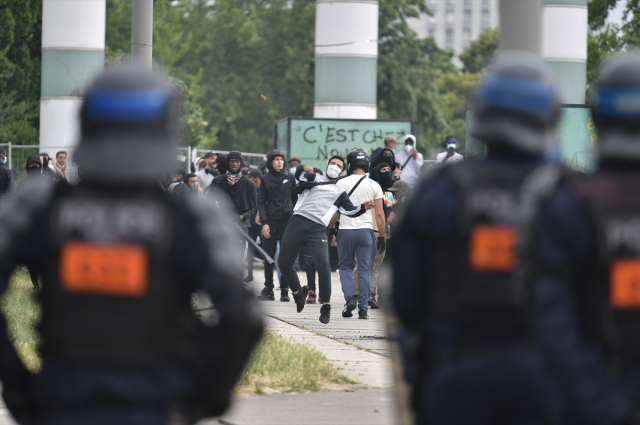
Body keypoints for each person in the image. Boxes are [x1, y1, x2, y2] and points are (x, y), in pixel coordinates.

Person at [0, 66, 263, 425]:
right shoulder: (191, 216)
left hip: (60, 405)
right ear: (166, 127)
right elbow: (243, 318)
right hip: (157, 406)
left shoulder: (39, 204)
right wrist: (203, 400)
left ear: (88, 121)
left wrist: (18, 389)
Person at [390, 52, 564, 424]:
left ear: (483, 115)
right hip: (546, 381)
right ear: (549, 117)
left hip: (455, 375)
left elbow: (404, 300)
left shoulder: (439, 191)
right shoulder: (569, 195)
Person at [518, 53, 640, 424]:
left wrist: (595, 403)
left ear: (597, 119)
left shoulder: (562, 201)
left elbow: (547, 318)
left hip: (587, 396)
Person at [277, 156, 374, 324]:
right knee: (284, 262)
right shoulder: (314, 177)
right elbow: (299, 174)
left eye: (339, 166)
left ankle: (326, 306)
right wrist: (303, 167)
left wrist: (363, 207)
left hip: (317, 228)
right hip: (298, 220)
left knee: (323, 264)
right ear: (327, 165)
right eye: (333, 164)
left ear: (342, 172)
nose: (335, 167)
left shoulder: (340, 192)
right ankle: (297, 294)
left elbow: (350, 211)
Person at [335, 149, 385, 320]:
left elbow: (334, 210)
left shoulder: (340, 184)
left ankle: (350, 298)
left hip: (345, 231)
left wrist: (332, 229)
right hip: (366, 232)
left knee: (345, 267)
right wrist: (383, 236)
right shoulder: (374, 185)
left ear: (349, 165)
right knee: (365, 270)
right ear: (367, 164)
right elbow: (379, 215)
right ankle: (363, 309)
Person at [256, 150, 297, 302]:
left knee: (285, 257)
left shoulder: (289, 177)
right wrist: (265, 223)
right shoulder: (265, 178)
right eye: (276, 159)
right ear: (271, 162)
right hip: (271, 221)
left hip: (287, 221)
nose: (279, 162)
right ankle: (269, 289)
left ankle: (285, 289)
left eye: (281, 159)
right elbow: (261, 202)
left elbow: (295, 199)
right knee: (269, 256)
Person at [209, 151, 257, 230]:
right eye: (232, 161)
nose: (234, 164)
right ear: (228, 163)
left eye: (237, 161)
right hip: (222, 223)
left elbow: (253, 205)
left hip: (242, 224)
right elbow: (210, 201)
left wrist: (241, 217)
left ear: (240, 163)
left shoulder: (249, 183)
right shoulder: (218, 181)